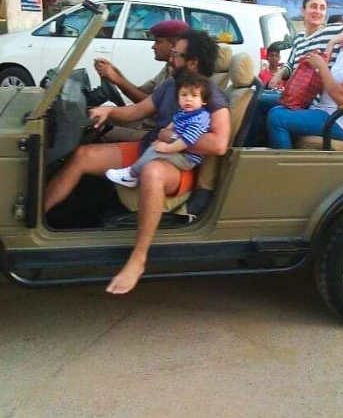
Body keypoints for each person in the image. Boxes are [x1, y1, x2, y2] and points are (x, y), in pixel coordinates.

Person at [44, 30, 231, 294]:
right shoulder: (169, 86)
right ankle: (34, 220)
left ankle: (139, 258)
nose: (170, 59)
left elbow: (219, 144)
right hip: (151, 148)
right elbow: (134, 112)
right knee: (82, 155)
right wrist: (106, 112)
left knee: (152, 172)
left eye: (176, 55)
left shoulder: (212, 96)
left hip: (180, 163)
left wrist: (173, 135)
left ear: (193, 62)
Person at [268, 0, 343, 148]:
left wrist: (322, 67)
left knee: (277, 118)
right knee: (276, 108)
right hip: (327, 112)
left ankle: (287, 169)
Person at [105, 72, 212, 188]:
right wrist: (164, 133)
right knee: (154, 146)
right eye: (184, 95)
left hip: (187, 158)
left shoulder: (198, 119)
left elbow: (186, 141)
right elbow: (174, 122)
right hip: (179, 151)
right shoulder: (185, 111)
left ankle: (131, 175)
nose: (188, 99)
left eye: (194, 96)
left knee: (156, 151)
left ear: (203, 101)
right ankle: (134, 171)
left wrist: (167, 148)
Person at [93, 19, 190, 141]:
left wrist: (117, 80)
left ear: (173, 44)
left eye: (158, 42)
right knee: (97, 120)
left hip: (154, 131)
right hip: (145, 122)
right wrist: (115, 72)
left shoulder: (180, 75)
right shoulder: (168, 68)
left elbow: (150, 104)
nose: (153, 46)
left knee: (98, 130)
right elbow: (140, 91)